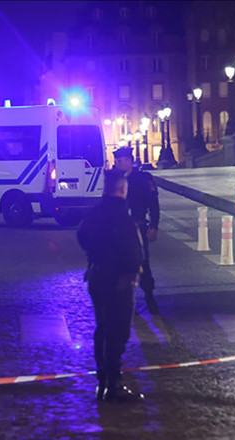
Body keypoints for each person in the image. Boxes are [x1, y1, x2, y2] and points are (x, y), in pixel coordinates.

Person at [77, 168, 145, 402]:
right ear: (122, 189)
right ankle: (114, 383)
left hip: (97, 276)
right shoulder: (123, 217)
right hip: (119, 281)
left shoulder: (94, 213)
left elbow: (82, 236)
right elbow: (133, 251)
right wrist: (132, 269)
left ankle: (102, 380)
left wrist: (97, 254)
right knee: (119, 331)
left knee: (102, 328)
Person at [113, 146, 161, 314]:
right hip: (120, 230)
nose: (116, 164)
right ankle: (127, 300)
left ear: (128, 161)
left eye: (119, 161)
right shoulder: (115, 180)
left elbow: (153, 205)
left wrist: (154, 226)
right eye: (115, 161)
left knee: (142, 263)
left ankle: (149, 296)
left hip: (138, 227)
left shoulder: (142, 179)